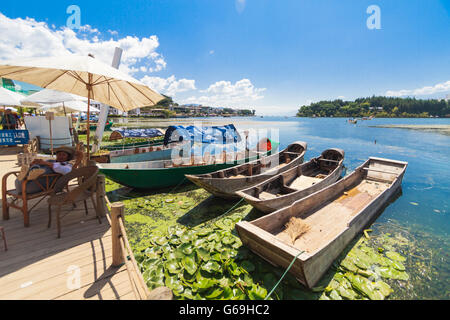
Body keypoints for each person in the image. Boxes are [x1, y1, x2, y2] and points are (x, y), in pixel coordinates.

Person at [15, 146, 82, 194]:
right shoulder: (50, 161)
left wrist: (46, 163)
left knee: (44, 170)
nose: (60, 156)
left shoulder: (67, 165)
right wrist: (34, 163)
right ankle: (31, 172)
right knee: (36, 166)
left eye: (63, 155)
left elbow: (66, 171)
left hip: (39, 185)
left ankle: (33, 173)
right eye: (59, 154)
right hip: (21, 185)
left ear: (68, 157)